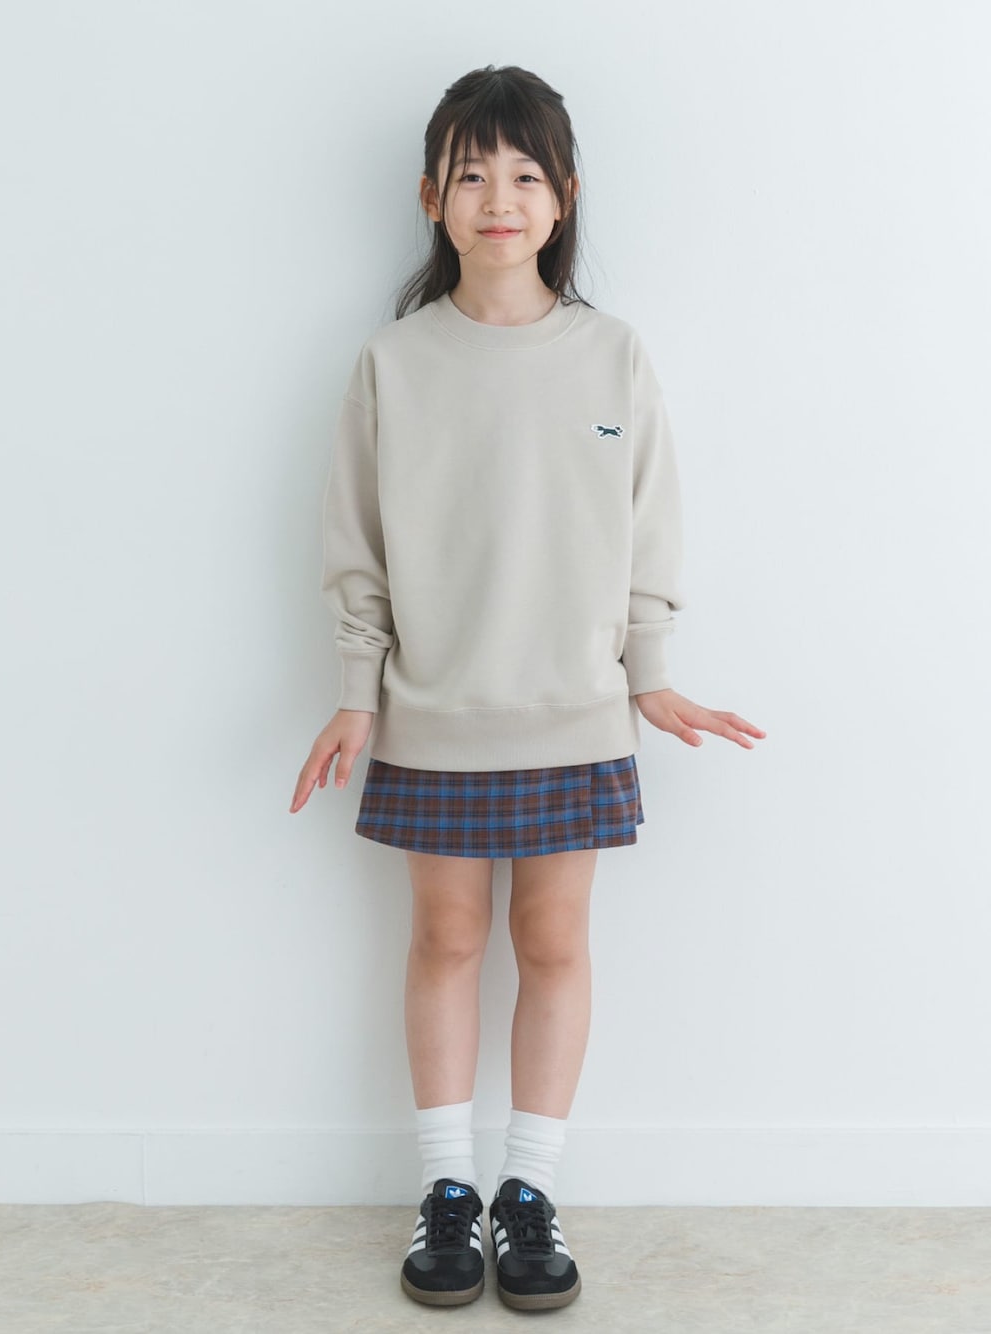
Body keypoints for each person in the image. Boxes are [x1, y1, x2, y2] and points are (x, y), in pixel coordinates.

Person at [291, 64, 766, 1312]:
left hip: (575, 709)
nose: (497, 197)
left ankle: (530, 1189)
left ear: (563, 197)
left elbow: (646, 525)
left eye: (523, 173)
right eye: (470, 173)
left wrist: (651, 674)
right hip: (434, 710)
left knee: (552, 943)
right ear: (431, 198)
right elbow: (355, 543)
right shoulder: (392, 362)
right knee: (445, 938)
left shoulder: (611, 356)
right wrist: (357, 691)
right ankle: (447, 1188)